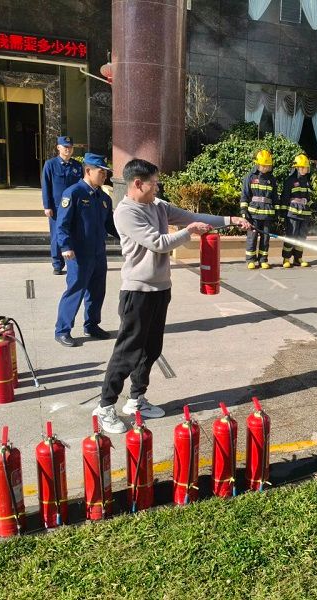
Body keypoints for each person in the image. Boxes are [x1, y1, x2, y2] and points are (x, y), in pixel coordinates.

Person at [93, 158, 251, 433]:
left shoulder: (158, 206)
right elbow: (158, 243)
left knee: (151, 348)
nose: (157, 187)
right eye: (153, 183)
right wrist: (189, 233)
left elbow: (191, 217)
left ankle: (136, 399)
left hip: (160, 289)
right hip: (137, 292)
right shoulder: (126, 213)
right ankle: (105, 406)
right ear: (137, 183)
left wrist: (230, 220)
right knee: (128, 351)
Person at [54, 153, 118, 347]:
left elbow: (110, 225)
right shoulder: (73, 193)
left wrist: (128, 237)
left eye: (106, 173)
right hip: (79, 254)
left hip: (98, 252)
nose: (105, 176)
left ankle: (92, 325)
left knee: (97, 291)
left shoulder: (104, 198)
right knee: (75, 290)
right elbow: (62, 224)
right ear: (88, 171)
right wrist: (65, 246)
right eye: (101, 172)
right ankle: (62, 330)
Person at [41, 135, 82, 275]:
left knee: (73, 233)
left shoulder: (77, 166)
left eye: (70, 147)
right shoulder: (50, 164)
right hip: (57, 208)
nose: (68, 150)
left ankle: (73, 263)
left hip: (74, 207)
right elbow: (46, 186)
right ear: (58, 147)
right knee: (56, 235)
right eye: (65, 147)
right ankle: (57, 264)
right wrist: (47, 206)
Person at [241, 149, 279, 269]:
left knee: (265, 238)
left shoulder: (272, 179)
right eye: (264, 165)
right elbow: (245, 195)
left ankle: (263, 260)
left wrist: (277, 211)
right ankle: (250, 260)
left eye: (268, 166)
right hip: (253, 214)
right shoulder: (250, 177)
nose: (266, 168)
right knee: (252, 237)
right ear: (257, 164)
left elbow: (275, 197)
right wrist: (244, 210)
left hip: (267, 214)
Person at [280, 153, 317, 268]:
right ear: (297, 168)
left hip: (305, 215)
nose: (306, 169)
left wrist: (315, 206)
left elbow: (307, 199)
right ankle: (286, 258)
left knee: (301, 237)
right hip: (293, 214)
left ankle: (298, 258)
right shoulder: (290, 181)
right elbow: (285, 198)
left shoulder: (307, 182)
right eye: (304, 167)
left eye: (306, 167)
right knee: (291, 236)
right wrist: (283, 213)